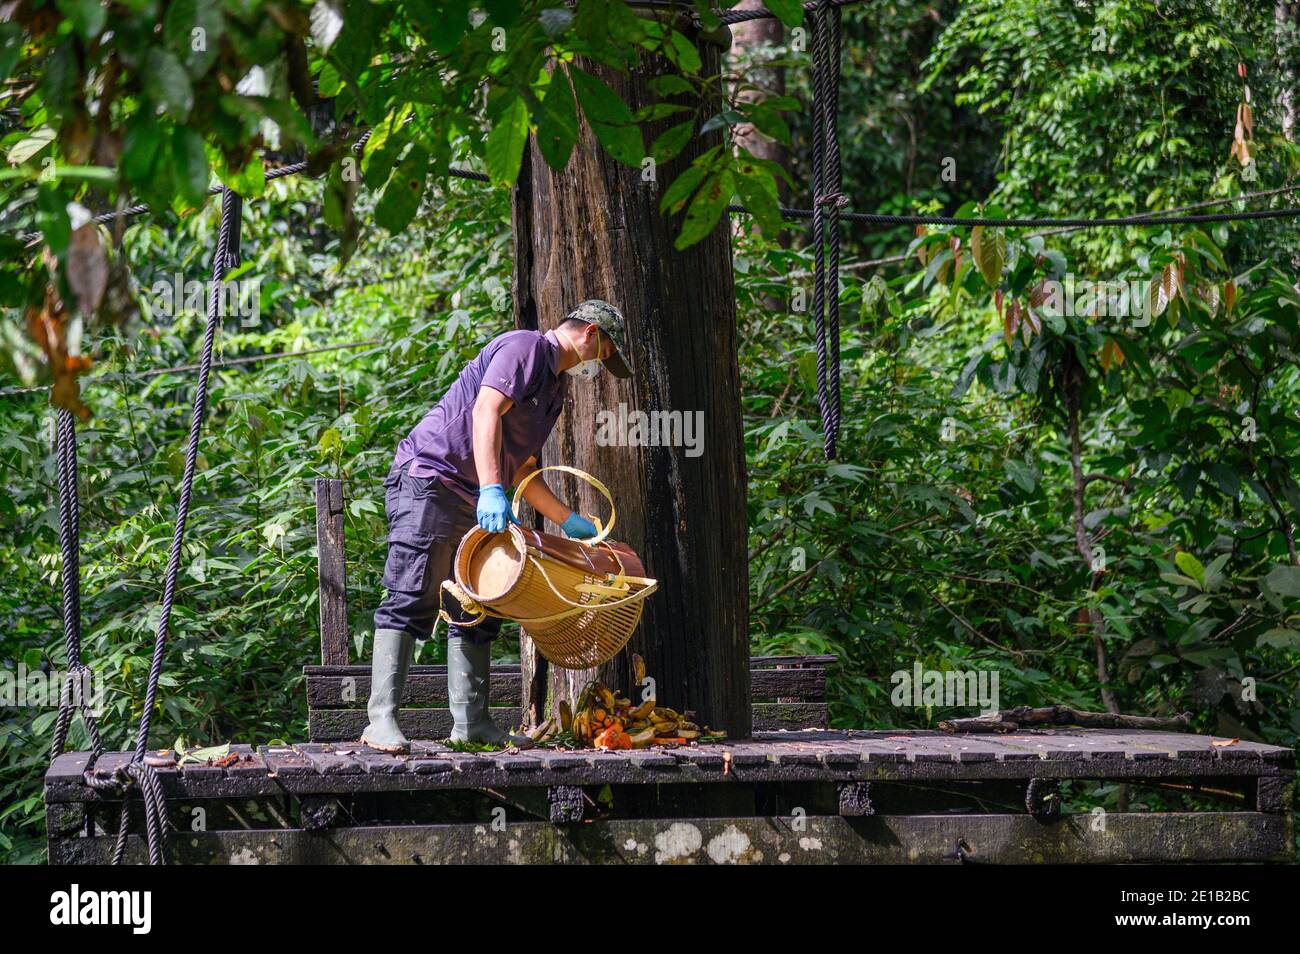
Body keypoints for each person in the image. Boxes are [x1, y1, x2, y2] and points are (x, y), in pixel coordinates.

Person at [361, 300, 633, 752]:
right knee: (414, 593)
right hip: (431, 479)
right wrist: (492, 489)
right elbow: (485, 411)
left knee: (479, 602)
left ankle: (471, 724)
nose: (602, 362)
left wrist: (566, 519)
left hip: (475, 495)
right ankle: (380, 721)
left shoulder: (554, 391)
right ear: (589, 334)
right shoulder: (525, 348)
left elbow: (524, 465)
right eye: (606, 351)